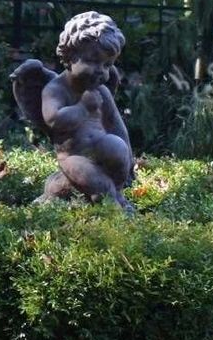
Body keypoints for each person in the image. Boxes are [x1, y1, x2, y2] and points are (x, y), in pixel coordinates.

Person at [11, 11, 136, 212]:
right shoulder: (55, 89)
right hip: (73, 156)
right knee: (98, 184)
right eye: (93, 61)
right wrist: (82, 108)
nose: (101, 71)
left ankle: (117, 194)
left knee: (117, 145)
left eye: (107, 65)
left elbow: (115, 123)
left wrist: (128, 159)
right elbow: (54, 120)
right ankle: (110, 208)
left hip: (100, 148)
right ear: (70, 56)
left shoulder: (101, 90)